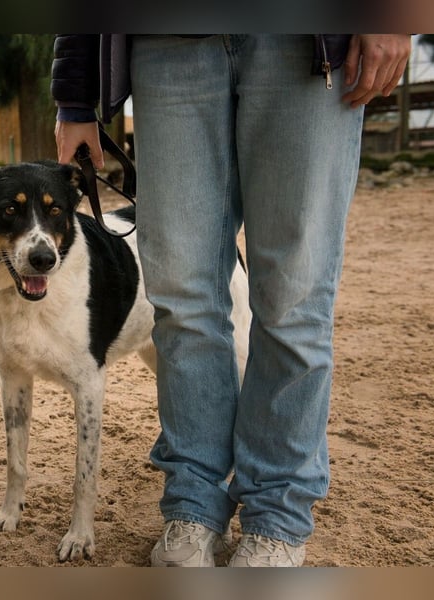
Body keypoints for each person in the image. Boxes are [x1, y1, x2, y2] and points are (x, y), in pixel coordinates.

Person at [51, 34, 410, 567]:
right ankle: (193, 507)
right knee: (180, 299)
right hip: (168, 48)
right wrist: (74, 95)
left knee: (294, 300)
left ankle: (276, 519)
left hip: (307, 41)